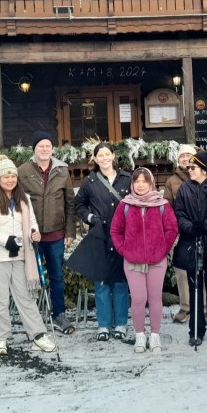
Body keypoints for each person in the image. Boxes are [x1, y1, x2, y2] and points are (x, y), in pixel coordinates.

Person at [0, 155, 57, 356]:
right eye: (6, 176)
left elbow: (32, 222)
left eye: (13, 175)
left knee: (26, 297)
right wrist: (5, 240)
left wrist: (33, 233)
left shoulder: (24, 199)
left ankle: (37, 336)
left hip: (20, 256)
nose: (10, 179)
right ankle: (0, 340)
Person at [111, 168, 179, 353]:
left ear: (151, 184)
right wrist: (124, 249)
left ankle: (155, 335)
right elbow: (115, 231)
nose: (140, 185)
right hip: (132, 261)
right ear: (132, 184)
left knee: (155, 298)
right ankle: (140, 335)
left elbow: (172, 229)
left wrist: (162, 249)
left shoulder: (162, 204)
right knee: (139, 299)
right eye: (137, 181)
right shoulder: (125, 205)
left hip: (157, 260)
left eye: (145, 181)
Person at [71, 142, 132, 341]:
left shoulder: (127, 179)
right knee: (102, 282)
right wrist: (89, 218)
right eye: (100, 155)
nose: (104, 158)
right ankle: (104, 325)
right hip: (100, 236)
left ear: (113, 156)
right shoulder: (90, 181)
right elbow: (79, 205)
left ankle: (121, 324)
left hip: (122, 237)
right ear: (95, 159)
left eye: (108, 154)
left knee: (121, 282)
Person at [18, 131, 77, 335]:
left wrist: (70, 230)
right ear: (34, 149)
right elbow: (16, 203)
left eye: (48, 146)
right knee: (30, 277)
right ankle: (32, 317)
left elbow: (70, 202)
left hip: (56, 235)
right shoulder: (23, 171)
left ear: (52, 149)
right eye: (41, 145)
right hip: (31, 236)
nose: (45, 149)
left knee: (56, 276)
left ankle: (59, 314)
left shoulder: (62, 171)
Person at [173, 150, 207, 346]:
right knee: (194, 285)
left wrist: (206, 225)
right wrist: (191, 227)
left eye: (193, 167)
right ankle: (196, 329)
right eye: (188, 167)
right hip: (190, 243)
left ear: (204, 170)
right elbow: (178, 214)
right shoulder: (184, 189)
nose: (189, 170)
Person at [163, 144, 198, 324]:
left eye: (189, 156)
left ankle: (205, 307)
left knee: (202, 269)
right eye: (182, 156)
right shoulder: (172, 181)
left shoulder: (203, 176)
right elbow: (167, 207)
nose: (185, 159)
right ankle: (186, 307)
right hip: (180, 232)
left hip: (200, 230)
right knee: (182, 271)